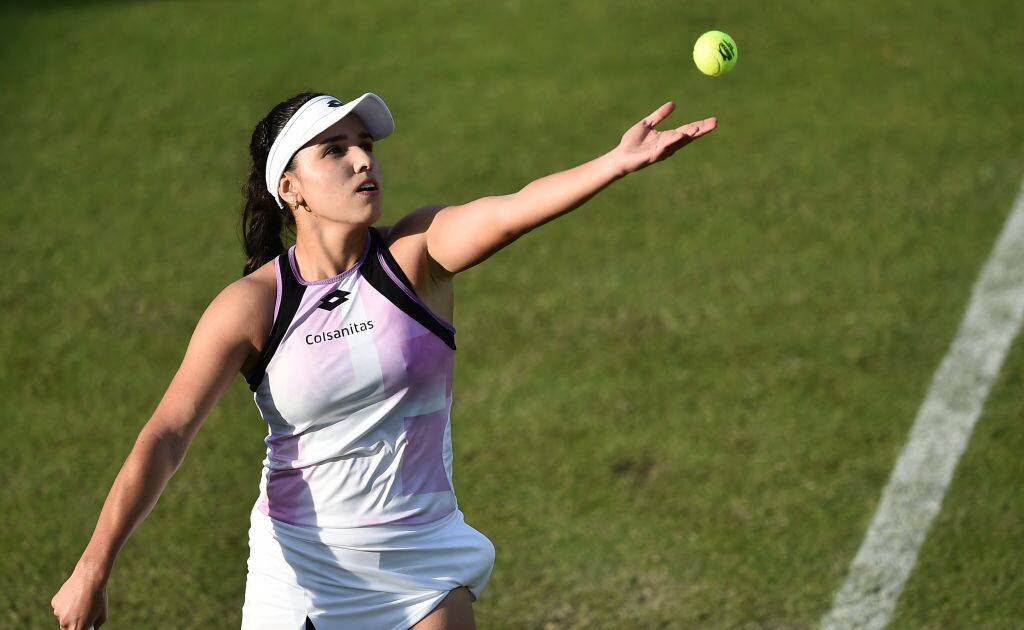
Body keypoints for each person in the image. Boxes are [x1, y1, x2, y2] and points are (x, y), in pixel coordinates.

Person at [50, 90, 716, 630]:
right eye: (335, 150)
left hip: (421, 560)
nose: (363, 161)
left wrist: (614, 163)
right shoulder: (255, 305)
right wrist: (93, 567)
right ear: (292, 188)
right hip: (302, 572)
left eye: (365, 146)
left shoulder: (415, 258)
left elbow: (511, 212)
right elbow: (167, 434)